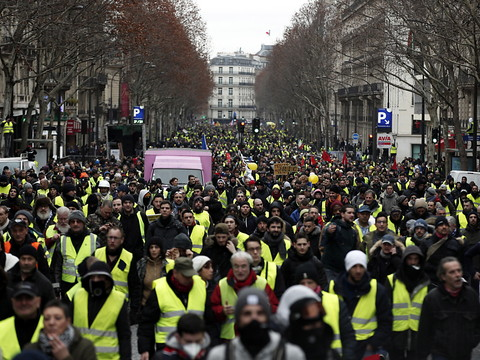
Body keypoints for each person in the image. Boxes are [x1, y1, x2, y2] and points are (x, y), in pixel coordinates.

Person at [207, 287, 305, 360]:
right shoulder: (219, 356)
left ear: (268, 317)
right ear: (238, 318)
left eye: (260, 313)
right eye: (247, 313)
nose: (254, 318)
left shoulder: (290, 354)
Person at [328, 250, 392, 359]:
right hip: (340, 347)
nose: (358, 271)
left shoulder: (377, 289)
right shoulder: (332, 288)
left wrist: (373, 344)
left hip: (367, 349)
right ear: (348, 268)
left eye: (361, 267)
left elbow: (386, 320)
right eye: (354, 267)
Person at [138, 257, 207, 358]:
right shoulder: (160, 289)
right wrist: (145, 349)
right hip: (167, 347)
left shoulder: (200, 285)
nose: (189, 279)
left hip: (196, 345)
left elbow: (209, 319)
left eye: (190, 275)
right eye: (185, 276)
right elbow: (147, 322)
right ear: (175, 273)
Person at [417, 257, 480, 360]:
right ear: (443, 276)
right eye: (452, 272)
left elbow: (478, 322)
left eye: (459, 270)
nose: (457, 275)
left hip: (464, 353)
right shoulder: (432, 299)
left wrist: (471, 341)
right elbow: (424, 331)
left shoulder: (471, 295)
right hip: (441, 354)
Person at [210, 251, 278, 341]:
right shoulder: (222, 284)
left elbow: (275, 307)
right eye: (236, 266)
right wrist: (222, 311)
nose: (240, 270)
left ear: (249, 266)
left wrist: (267, 308)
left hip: (257, 335)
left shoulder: (261, 283)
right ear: (232, 266)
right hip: (229, 338)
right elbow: (212, 309)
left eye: (243, 266)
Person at [71, 260, 131, 359]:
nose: (96, 280)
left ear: (107, 280)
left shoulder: (119, 299)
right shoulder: (78, 295)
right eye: (93, 277)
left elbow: (124, 335)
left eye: (100, 277)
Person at [385, 246, 429, 360]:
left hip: (417, 335)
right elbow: (385, 309)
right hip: (396, 334)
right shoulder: (392, 280)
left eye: (416, 259)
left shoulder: (426, 282)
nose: (413, 262)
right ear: (404, 260)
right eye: (410, 259)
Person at [24, 300, 97, 360]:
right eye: (47, 319)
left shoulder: (84, 347)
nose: (51, 323)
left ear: (68, 321)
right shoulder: (31, 349)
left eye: (58, 318)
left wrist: (65, 358)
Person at [94, 226, 140, 318]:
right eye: (110, 237)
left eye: (115, 238)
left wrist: (133, 310)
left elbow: (135, 287)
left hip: (120, 307)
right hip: (99, 304)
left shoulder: (129, 258)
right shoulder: (97, 254)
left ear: (122, 240)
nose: (112, 241)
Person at [52, 210, 98, 297]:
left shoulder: (94, 240)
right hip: (66, 287)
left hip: (87, 286)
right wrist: (56, 288)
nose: (75, 224)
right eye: (72, 222)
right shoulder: (62, 240)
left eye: (78, 221)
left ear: (84, 223)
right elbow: (55, 268)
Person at [0, 282, 44, 360]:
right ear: (12, 302)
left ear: (38, 301)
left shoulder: (52, 327)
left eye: (29, 298)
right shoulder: (1, 328)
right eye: (19, 298)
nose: (24, 302)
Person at [7, 244, 55, 310]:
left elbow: (51, 309)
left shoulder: (44, 284)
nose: (26, 262)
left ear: (36, 261)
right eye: (23, 259)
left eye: (30, 259)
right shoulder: (7, 279)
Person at [321, 205, 360, 282]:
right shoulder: (334, 226)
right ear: (342, 214)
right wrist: (329, 232)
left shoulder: (353, 232)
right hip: (331, 269)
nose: (352, 215)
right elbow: (326, 236)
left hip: (345, 269)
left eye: (353, 213)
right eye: (349, 213)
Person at [137, 236, 170, 307]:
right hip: (144, 305)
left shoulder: (167, 265)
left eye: (156, 247)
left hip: (162, 305)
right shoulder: (142, 264)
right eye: (151, 247)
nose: (153, 250)